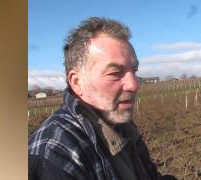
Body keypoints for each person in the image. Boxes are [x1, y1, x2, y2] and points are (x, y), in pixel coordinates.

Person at [28, 17, 176, 180]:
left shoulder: (121, 125)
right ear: (77, 82)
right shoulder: (54, 156)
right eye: (114, 73)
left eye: (134, 71)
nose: (134, 85)